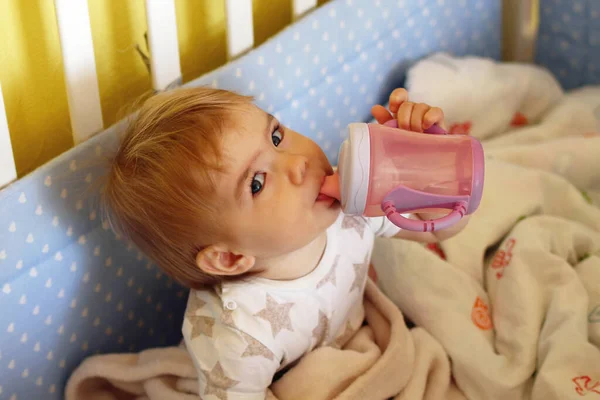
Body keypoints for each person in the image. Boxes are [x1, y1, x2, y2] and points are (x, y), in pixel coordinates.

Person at [103, 86, 468, 399]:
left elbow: (439, 228)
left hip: (357, 340)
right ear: (230, 257)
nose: (297, 163)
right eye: (257, 183)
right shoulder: (236, 332)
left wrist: (428, 159)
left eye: (276, 136)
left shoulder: (351, 208)